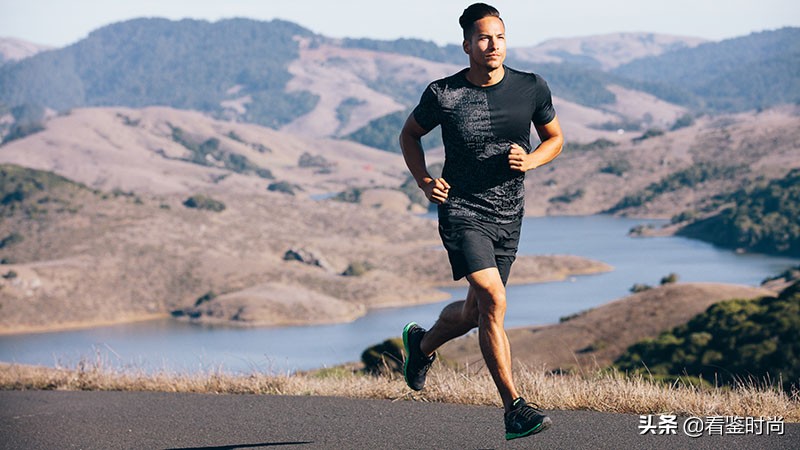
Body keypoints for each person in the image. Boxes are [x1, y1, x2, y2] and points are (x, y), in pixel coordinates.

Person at [398, 2, 564, 441]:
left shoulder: (531, 87)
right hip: (462, 210)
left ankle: (421, 346)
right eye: (484, 38)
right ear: (467, 45)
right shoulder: (444, 93)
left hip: (509, 215)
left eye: (500, 37)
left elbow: (555, 139)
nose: (494, 45)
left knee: (476, 312)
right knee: (493, 298)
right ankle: (514, 409)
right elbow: (409, 134)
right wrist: (424, 180)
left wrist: (531, 160)